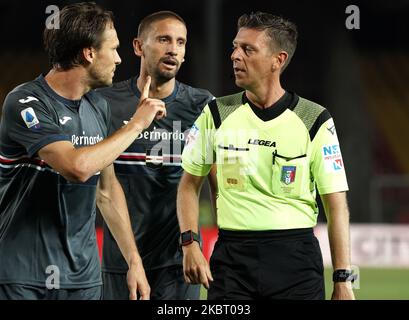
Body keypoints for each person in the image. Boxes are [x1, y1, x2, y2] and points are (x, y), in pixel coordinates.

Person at [177, 12, 356, 300]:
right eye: (235, 47)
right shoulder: (216, 114)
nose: (235, 56)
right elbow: (188, 185)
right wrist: (190, 243)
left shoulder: (315, 119)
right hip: (232, 260)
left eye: (248, 49)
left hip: (296, 262)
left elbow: (336, 206)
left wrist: (342, 279)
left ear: (278, 60)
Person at [0, 2, 166, 300]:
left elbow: (106, 189)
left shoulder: (98, 107)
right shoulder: (26, 102)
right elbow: (76, 168)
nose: (118, 58)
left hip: (84, 280)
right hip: (24, 278)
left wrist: (134, 260)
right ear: (89, 53)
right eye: (113, 49)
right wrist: (137, 124)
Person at [97, 11, 214, 300]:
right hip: (120, 263)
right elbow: (102, 187)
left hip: (179, 264)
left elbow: (217, 184)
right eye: (163, 39)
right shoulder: (105, 103)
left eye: (181, 42)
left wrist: (215, 246)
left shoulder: (201, 105)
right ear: (138, 47)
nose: (173, 49)